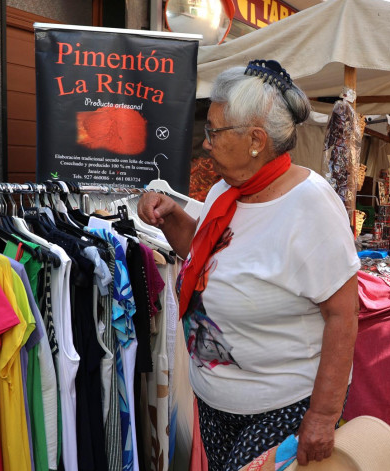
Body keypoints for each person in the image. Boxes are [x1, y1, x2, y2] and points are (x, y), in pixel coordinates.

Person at [136, 60, 360, 471]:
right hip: (216, 400)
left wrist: (324, 416)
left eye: (215, 132)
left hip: (282, 405)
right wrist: (171, 217)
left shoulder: (310, 204)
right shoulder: (227, 191)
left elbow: (344, 315)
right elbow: (211, 259)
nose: (206, 144)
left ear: (256, 140)